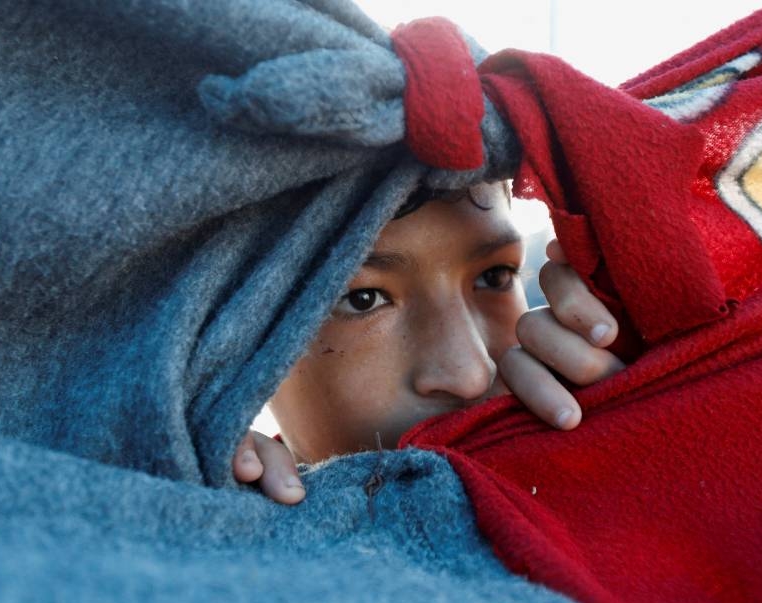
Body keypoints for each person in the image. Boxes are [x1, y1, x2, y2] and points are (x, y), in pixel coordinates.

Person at [232, 181, 625, 503]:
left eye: (495, 276)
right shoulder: (227, 561)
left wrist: (636, 439)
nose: (471, 375)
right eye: (362, 299)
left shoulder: (596, 449)